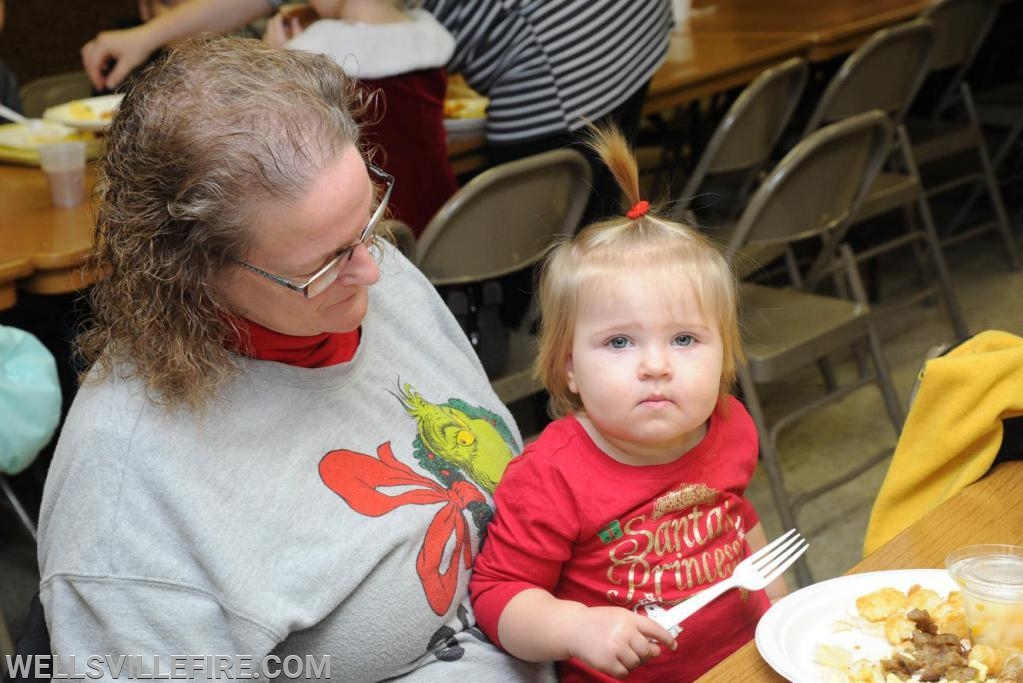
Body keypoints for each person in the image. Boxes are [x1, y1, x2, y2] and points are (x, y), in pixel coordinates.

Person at [38, 35, 551, 681]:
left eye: (367, 221)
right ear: (191, 271)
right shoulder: (128, 495)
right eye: (326, 261)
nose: (370, 268)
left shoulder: (362, 276)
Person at [467, 127, 788, 682]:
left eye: (684, 339)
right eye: (619, 342)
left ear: (725, 353)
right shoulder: (552, 476)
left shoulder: (729, 425)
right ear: (569, 366)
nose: (656, 365)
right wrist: (576, 628)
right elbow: (497, 596)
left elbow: (737, 520)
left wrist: (782, 616)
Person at [80, 0, 673, 216]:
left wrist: (274, 53)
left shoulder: (321, 47)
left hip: (561, 53)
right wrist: (148, 35)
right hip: (631, 29)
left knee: (546, 233)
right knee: (569, 222)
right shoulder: (423, 36)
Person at [262, 0, 458, 236]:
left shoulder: (314, 50)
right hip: (444, 216)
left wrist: (275, 59)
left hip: (373, 224)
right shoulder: (429, 34)